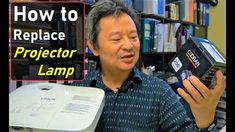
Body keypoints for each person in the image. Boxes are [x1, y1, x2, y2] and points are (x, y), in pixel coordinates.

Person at [71, 0, 225, 131]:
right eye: (116, 39)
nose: (128, 45)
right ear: (93, 47)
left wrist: (206, 119)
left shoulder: (159, 92)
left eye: (133, 36)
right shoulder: (77, 90)